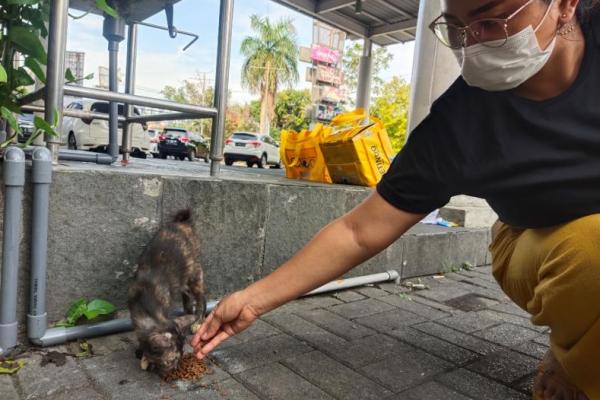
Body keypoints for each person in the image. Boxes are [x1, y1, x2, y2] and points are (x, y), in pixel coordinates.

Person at [193, 1, 600, 398]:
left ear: (564, 5)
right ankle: (576, 353)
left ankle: (579, 353)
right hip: (538, 243)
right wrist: (251, 300)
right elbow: (358, 231)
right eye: (456, 29)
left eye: (491, 20)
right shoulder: (459, 122)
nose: (472, 44)